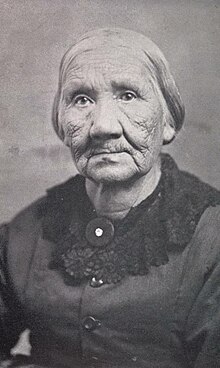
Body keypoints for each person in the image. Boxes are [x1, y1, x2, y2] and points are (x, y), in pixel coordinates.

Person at [0, 28, 220, 368]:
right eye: (81, 99)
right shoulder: (26, 233)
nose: (103, 126)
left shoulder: (213, 241)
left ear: (168, 122)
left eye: (128, 95)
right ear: (61, 122)